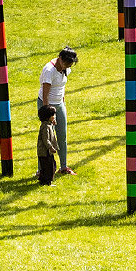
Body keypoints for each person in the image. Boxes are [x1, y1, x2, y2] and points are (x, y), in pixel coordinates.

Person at [38, 48, 78, 176]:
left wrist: (63, 101)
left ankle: (63, 167)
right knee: (47, 137)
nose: (68, 66)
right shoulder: (49, 70)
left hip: (60, 104)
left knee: (62, 135)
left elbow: (62, 86)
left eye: (70, 64)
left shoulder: (66, 68)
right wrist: (49, 114)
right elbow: (45, 96)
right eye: (66, 63)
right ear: (60, 58)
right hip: (47, 106)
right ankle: (42, 170)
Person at [37, 104, 61, 187]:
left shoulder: (48, 124)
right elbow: (45, 139)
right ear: (48, 117)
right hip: (45, 151)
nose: (54, 116)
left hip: (46, 152)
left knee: (49, 165)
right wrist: (50, 147)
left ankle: (43, 180)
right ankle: (47, 182)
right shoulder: (45, 127)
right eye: (53, 115)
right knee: (49, 167)